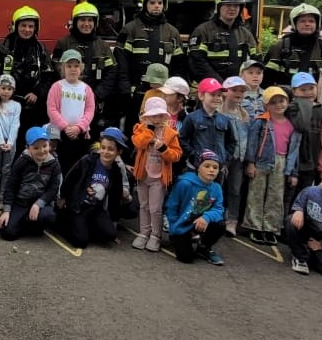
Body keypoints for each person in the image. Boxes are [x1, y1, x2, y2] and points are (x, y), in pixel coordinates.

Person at [116, 0, 183, 130]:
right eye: (152, 3)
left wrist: (174, 91)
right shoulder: (130, 29)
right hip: (136, 91)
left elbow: (179, 65)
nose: (156, 6)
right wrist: (126, 88)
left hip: (164, 93)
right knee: (134, 130)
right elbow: (121, 61)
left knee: (161, 131)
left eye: (159, 3)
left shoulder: (172, 32)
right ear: (144, 5)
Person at [243, 86, 300, 245]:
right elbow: (252, 144)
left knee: (276, 196)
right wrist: (251, 163)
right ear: (266, 105)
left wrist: (293, 172)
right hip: (261, 162)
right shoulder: (261, 121)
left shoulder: (291, 125)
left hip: (281, 162)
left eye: (281, 101)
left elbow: (294, 150)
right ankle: (254, 226)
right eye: (273, 102)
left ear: (287, 102)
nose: (278, 105)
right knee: (256, 194)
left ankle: (270, 227)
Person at [53, 2, 121, 128]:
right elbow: (56, 70)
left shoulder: (102, 46)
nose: (86, 24)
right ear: (75, 22)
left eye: (90, 20)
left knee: (90, 137)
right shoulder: (63, 43)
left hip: (93, 102)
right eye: (82, 20)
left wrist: (97, 94)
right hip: (67, 100)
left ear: (95, 23)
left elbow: (112, 72)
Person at [57, 127, 128, 249]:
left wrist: (114, 222)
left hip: (96, 208)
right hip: (79, 205)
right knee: (81, 242)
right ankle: (64, 224)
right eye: (103, 147)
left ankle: (85, 226)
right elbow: (70, 178)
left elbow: (115, 197)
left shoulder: (116, 171)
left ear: (118, 152)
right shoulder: (87, 161)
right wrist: (63, 197)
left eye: (111, 149)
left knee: (110, 234)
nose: (106, 152)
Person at [0, 6, 55, 134]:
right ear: (15, 26)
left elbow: (49, 77)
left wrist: (37, 93)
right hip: (5, 104)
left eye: (31, 26)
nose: (27, 30)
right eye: (23, 26)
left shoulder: (41, 50)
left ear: (36, 28)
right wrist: (3, 93)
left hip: (31, 107)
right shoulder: (2, 48)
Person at [130, 97, 182, 253]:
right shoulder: (140, 129)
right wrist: (149, 130)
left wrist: (163, 148)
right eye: (153, 115)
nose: (157, 119)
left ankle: (156, 236)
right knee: (144, 206)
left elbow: (177, 155)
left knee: (155, 208)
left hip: (159, 178)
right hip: (142, 175)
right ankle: (144, 232)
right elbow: (139, 143)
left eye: (160, 115)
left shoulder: (171, 134)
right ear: (147, 117)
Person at [0, 126, 62, 241]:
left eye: (44, 146)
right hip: (21, 202)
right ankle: (26, 221)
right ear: (28, 148)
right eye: (36, 147)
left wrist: (39, 204)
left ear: (49, 144)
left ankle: (31, 222)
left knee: (50, 217)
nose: (42, 150)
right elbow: (11, 185)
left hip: (40, 203)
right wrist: (6, 210)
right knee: (7, 233)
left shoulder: (54, 164)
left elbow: (53, 188)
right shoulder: (22, 161)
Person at [164, 149, 226, 265]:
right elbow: (172, 206)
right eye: (207, 166)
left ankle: (203, 247)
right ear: (198, 167)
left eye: (215, 167)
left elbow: (219, 209)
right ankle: (179, 238)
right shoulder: (185, 184)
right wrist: (173, 226)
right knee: (186, 258)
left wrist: (206, 217)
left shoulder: (217, 188)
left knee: (220, 225)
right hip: (182, 224)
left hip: (201, 223)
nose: (211, 170)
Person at [187, 0, 256, 83]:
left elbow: (256, 61)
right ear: (219, 7)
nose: (232, 8)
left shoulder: (246, 34)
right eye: (228, 5)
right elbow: (197, 62)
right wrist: (219, 83)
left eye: (236, 5)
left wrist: (240, 83)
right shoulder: (203, 31)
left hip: (237, 88)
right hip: (210, 88)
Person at [46, 49, 97, 172]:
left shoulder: (86, 89)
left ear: (81, 68)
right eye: (69, 66)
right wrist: (66, 127)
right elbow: (52, 109)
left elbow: (90, 110)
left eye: (76, 66)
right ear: (62, 68)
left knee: (78, 167)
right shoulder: (57, 87)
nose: (73, 69)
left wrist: (79, 127)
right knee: (61, 166)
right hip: (60, 135)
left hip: (80, 134)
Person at [284, 72, 322, 210]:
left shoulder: (321, 111)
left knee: (305, 194)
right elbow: (301, 126)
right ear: (294, 91)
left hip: (312, 160)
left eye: (311, 88)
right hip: (294, 160)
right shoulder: (291, 108)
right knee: (289, 194)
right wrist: (303, 105)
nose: (308, 92)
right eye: (303, 89)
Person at [178, 77, 238, 170]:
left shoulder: (225, 120)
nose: (217, 98)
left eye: (219, 95)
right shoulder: (192, 118)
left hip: (218, 167)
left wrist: (225, 157)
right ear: (201, 96)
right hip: (196, 167)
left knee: (216, 185)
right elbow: (182, 139)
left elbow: (232, 142)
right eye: (212, 95)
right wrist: (194, 154)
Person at [217, 76, 251, 236]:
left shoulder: (244, 113)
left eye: (241, 91)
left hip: (239, 158)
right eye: (234, 90)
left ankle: (232, 220)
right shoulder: (219, 113)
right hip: (222, 157)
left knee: (235, 189)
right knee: (218, 187)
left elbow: (248, 138)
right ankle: (217, 216)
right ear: (225, 92)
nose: (238, 93)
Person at [264, 3, 322, 87]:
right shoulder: (280, 46)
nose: (307, 24)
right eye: (302, 21)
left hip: (313, 97)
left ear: (317, 24)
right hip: (286, 97)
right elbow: (266, 77)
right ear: (294, 24)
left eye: (311, 21)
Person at [0, 74, 22, 210]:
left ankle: (2, 198)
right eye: (3, 88)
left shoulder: (16, 106)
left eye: (9, 89)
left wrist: (10, 142)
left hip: (10, 143)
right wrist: (1, 141)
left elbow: (15, 124)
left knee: (7, 170)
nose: (6, 91)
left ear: (13, 90)